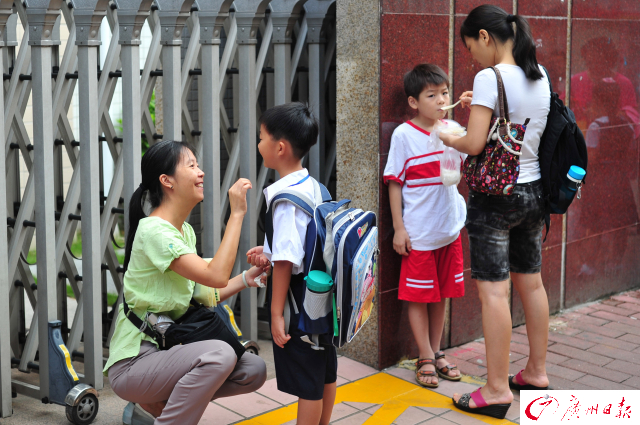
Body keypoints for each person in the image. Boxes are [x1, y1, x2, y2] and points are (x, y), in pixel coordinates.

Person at [438, 5, 551, 420]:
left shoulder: (489, 77)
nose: (471, 58)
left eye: (471, 47)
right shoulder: (539, 74)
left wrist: (449, 135)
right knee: (532, 285)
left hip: (495, 197)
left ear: (485, 37)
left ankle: (496, 389)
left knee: (494, 292)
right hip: (533, 192)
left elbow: (473, 144)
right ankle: (536, 373)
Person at [104, 140, 268, 425]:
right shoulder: (155, 232)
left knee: (253, 369)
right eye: (191, 165)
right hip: (135, 362)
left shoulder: (184, 232)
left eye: (198, 165)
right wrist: (237, 213)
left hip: (170, 348)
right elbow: (216, 274)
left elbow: (208, 293)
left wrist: (245, 278)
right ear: (166, 181)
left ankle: (156, 409)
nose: (201, 172)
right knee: (220, 354)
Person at [246, 102, 337, 425]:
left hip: (299, 303)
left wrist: (275, 315)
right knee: (325, 369)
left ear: (280, 147)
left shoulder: (284, 200)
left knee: (307, 382)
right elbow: (298, 246)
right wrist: (268, 251)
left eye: (261, 137)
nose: (258, 144)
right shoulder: (315, 187)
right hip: (322, 296)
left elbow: (285, 262)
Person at [383, 64, 466, 388]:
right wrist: (399, 228)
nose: (441, 99)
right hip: (419, 232)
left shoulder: (454, 128)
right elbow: (394, 183)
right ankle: (425, 355)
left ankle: (437, 350)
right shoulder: (404, 135)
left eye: (444, 93)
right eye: (432, 95)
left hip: (449, 227)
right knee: (419, 296)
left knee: (442, 293)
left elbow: (467, 162)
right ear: (414, 102)